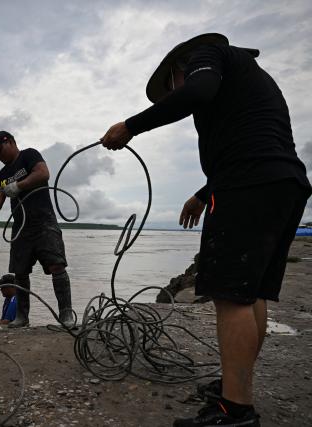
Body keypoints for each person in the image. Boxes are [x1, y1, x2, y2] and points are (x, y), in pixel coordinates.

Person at [101, 33, 311, 427]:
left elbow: (198, 92)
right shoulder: (247, 78)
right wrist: (203, 192)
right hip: (282, 183)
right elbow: (250, 142)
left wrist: (131, 126)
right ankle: (235, 387)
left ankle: (236, 411)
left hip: (248, 185)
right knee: (253, 292)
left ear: (178, 70)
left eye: (168, 91)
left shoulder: (208, 55)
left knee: (230, 295)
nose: (170, 98)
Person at [0, 131, 74, 329]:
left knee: (57, 266)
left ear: (11, 142)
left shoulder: (29, 155)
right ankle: (22, 317)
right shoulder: (1, 176)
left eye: (0, 149)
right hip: (21, 226)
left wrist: (18, 186)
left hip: (44, 222)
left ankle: (66, 317)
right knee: (20, 272)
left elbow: (43, 173)